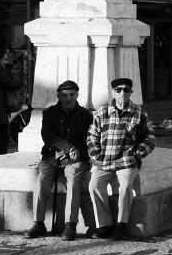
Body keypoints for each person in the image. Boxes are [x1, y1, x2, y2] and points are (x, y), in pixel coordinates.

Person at [87, 77, 155, 240]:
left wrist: (137, 154)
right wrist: (95, 156)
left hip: (127, 161)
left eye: (126, 90)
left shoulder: (139, 112)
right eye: (118, 90)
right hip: (104, 160)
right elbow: (91, 136)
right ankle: (103, 225)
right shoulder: (102, 112)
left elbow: (150, 138)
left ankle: (121, 224)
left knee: (125, 188)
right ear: (113, 92)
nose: (122, 93)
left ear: (131, 92)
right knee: (94, 185)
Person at [27, 80, 95, 242]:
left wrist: (73, 152)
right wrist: (63, 149)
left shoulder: (86, 116)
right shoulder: (49, 113)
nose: (69, 98)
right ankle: (38, 223)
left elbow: (90, 140)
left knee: (72, 180)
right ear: (58, 96)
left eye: (72, 94)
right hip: (53, 155)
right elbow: (48, 136)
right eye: (65, 95)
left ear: (77, 95)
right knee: (42, 178)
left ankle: (70, 224)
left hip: (76, 158)